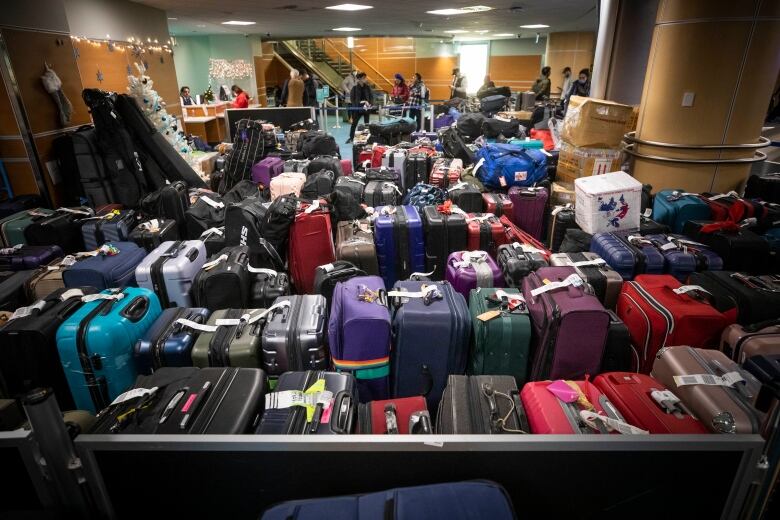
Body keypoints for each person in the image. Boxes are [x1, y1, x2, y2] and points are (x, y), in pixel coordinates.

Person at [347, 72, 373, 143]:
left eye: (365, 77)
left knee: (366, 124)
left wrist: (369, 104)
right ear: (360, 79)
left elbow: (371, 97)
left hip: (366, 108)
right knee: (354, 124)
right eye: (364, 78)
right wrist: (359, 103)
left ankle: (367, 138)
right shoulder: (354, 88)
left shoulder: (368, 87)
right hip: (358, 109)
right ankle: (351, 137)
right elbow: (352, 99)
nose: (365, 79)